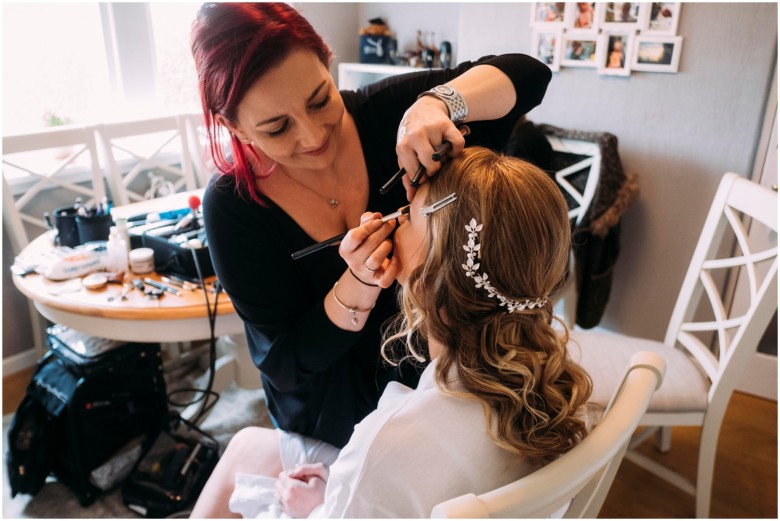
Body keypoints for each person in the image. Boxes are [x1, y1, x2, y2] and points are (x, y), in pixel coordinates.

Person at [192, 2, 553, 450]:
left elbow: (530, 73)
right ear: (235, 127)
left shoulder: (392, 114)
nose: (313, 136)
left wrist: (439, 102)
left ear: (327, 62)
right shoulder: (234, 207)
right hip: (334, 417)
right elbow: (283, 364)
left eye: (320, 99)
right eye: (278, 127)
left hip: (438, 385)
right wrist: (358, 285)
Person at [190, 146, 594, 518]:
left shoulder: (387, 442)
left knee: (243, 456)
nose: (393, 218)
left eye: (410, 214)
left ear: (435, 275)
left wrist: (317, 505)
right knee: (247, 445)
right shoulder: (560, 388)